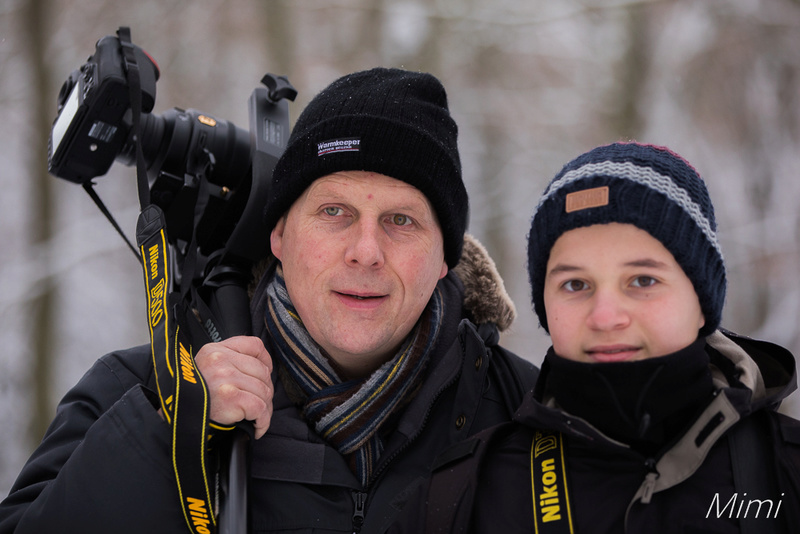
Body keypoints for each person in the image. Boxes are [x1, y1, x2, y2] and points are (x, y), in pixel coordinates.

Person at [0, 68, 538, 533]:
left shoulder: (531, 419)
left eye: (401, 220)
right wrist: (170, 434)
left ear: (445, 255)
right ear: (279, 236)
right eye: (334, 212)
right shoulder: (137, 392)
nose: (365, 252)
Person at [405, 142, 800, 533]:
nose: (605, 316)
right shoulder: (458, 498)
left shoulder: (785, 472)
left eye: (643, 280)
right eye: (576, 284)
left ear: (702, 301)